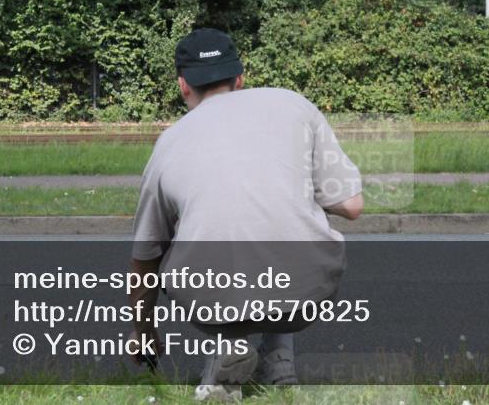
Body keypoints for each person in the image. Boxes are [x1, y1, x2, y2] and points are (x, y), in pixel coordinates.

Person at [129, 27, 364, 402]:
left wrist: (143, 331)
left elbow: (145, 257)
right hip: (304, 296)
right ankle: (280, 362)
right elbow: (352, 206)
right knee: (288, 220)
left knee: (180, 240)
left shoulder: (169, 142)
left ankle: (227, 350)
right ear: (239, 78)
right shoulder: (293, 105)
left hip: (213, 304)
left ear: (183, 86)